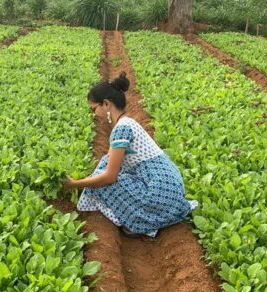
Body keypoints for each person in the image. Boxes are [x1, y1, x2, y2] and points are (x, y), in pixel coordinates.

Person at [63, 72, 198, 238]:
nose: (93, 114)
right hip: (171, 190)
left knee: (102, 179)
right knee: (106, 161)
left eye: (94, 108)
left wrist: (75, 183)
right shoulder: (128, 123)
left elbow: (110, 177)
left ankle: (141, 222)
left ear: (106, 104)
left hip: (158, 193)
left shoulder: (121, 129)